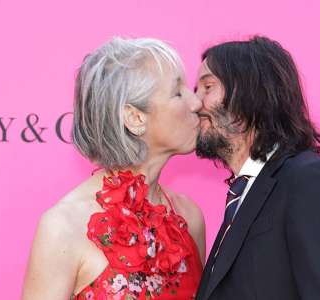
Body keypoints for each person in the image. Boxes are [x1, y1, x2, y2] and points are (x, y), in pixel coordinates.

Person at [22, 37, 205, 300]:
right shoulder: (63, 227)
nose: (196, 103)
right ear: (134, 118)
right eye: (177, 93)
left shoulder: (188, 217)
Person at [194, 36, 320, 300]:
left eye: (207, 86)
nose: (195, 103)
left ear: (250, 93)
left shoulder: (313, 182)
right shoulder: (242, 196)